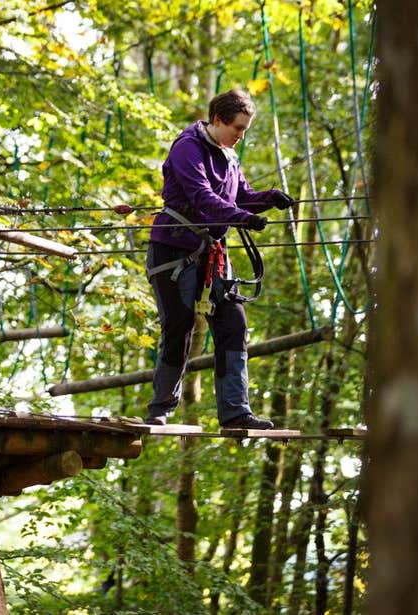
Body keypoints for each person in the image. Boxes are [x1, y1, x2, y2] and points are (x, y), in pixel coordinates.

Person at [145, 89, 294, 430]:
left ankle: (235, 412)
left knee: (233, 325)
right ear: (217, 120)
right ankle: (160, 408)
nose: (240, 136)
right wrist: (243, 217)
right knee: (179, 327)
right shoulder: (187, 148)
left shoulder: (228, 155)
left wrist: (268, 199)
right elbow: (203, 198)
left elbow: (241, 197)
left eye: (244, 130)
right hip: (173, 251)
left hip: (213, 254)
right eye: (237, 128)